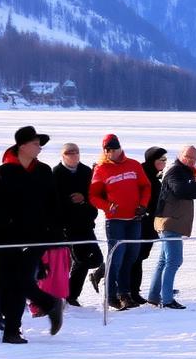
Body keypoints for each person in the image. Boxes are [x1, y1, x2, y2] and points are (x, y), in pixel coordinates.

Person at [0, 125, 65, 343]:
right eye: (35, 143)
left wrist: (54, 231)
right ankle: (20, 324)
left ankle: (15, 327)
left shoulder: (44, 171)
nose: (39, 148)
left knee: (22, 279)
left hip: (36, 235)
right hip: (8, 237)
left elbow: (53, 204)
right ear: (22, 146)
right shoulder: (4, 172)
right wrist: (6, 225)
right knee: (10, 282)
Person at [88, 133, 151, 311]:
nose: (111, 152)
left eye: (114, 149)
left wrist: (143, 205)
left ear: (119, 148)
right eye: (107, 150)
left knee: (130, 257)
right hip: (115, 221)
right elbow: (93, 195)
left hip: (134, 219)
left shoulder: (133, 165)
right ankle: (111, 295)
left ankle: (125, 294)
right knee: (116, 257)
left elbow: (145, 186)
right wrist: (107, 206)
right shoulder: (101, 169)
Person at [147, 145, 196, 309]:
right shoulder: (176, 171)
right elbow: (181, 190)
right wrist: (195, 183)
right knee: (174, 260)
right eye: (187, 156)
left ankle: (155, 295)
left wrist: (194, 182)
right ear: (180, 155)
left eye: (193, 158)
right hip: (170, 222)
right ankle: (167, 298)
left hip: (170, 221)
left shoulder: (184, 172)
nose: (190, 160)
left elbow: (192, 191)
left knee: (164, 261)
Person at [53, 143, 101, 306]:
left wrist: (84, 201)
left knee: (95, 259)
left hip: (86, 222)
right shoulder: (56, 173)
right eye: (69, 152)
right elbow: (54, 200)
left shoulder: (86, 172)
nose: (73, 155)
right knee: (81, 259)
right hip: (67, 225)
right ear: (62, 155)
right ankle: (71, 296)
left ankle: (70, 293)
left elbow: (94, 195)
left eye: (76, 152)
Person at [129, 146, 168, 306]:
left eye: (166, 160)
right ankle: (132, 292)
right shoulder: (142, 174)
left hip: (151, 222)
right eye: (162, 160)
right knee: (135, 258)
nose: (165, 163)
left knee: (140, 257)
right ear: (153, 161)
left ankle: (132, 291)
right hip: (140, 222)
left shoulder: (155, 175)